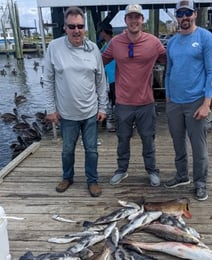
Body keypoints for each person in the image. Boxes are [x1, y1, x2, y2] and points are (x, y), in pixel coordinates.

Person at [44, 6, 107, 197]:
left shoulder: (93, 48)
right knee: (67, 150)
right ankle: (67, 177)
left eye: (80, 26)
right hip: (66, 113)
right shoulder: (54, 47)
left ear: (85, 28)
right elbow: (48, 80)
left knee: (92, 150)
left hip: (90, 111)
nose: (76, 30)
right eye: (72, 26)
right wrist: (50, 108)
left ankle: (92, 180)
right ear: (65, 27)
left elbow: (101, 80)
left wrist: (103, 107)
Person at [102, 4, 166, 187]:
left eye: (137, 17)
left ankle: (152, 170)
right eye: (130, 17)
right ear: (125, 20)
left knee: (148, 139)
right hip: (123, 102)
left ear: (142, 20)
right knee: (123, 140)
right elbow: (99, 62)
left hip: (146, 102)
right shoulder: (115, 43)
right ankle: (122, 170)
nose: (134, 20)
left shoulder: (153, 42)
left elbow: (169, 60)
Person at [164, 0, 212, 201]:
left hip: (197, 101)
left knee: (199, 146)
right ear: (176, 17)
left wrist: (206, 103)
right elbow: (169, 71)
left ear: (194, 13)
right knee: (178, 143)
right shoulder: (171, 42)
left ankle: (201, 182)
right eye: (180, 14)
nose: (184, 17)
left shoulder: (206, 38)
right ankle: (181, 175)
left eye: (187, 13)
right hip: (174, 103)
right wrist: (168, 94)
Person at [98, 23, 116, 131]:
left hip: (115, 77)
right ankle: (109, 121)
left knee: (115, 101)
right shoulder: (106, 44)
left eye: (100, 32)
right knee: (111, 100)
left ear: (104, 32)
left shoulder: (113, 43)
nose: (99, 34)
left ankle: (115, 123)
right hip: (108, 77)